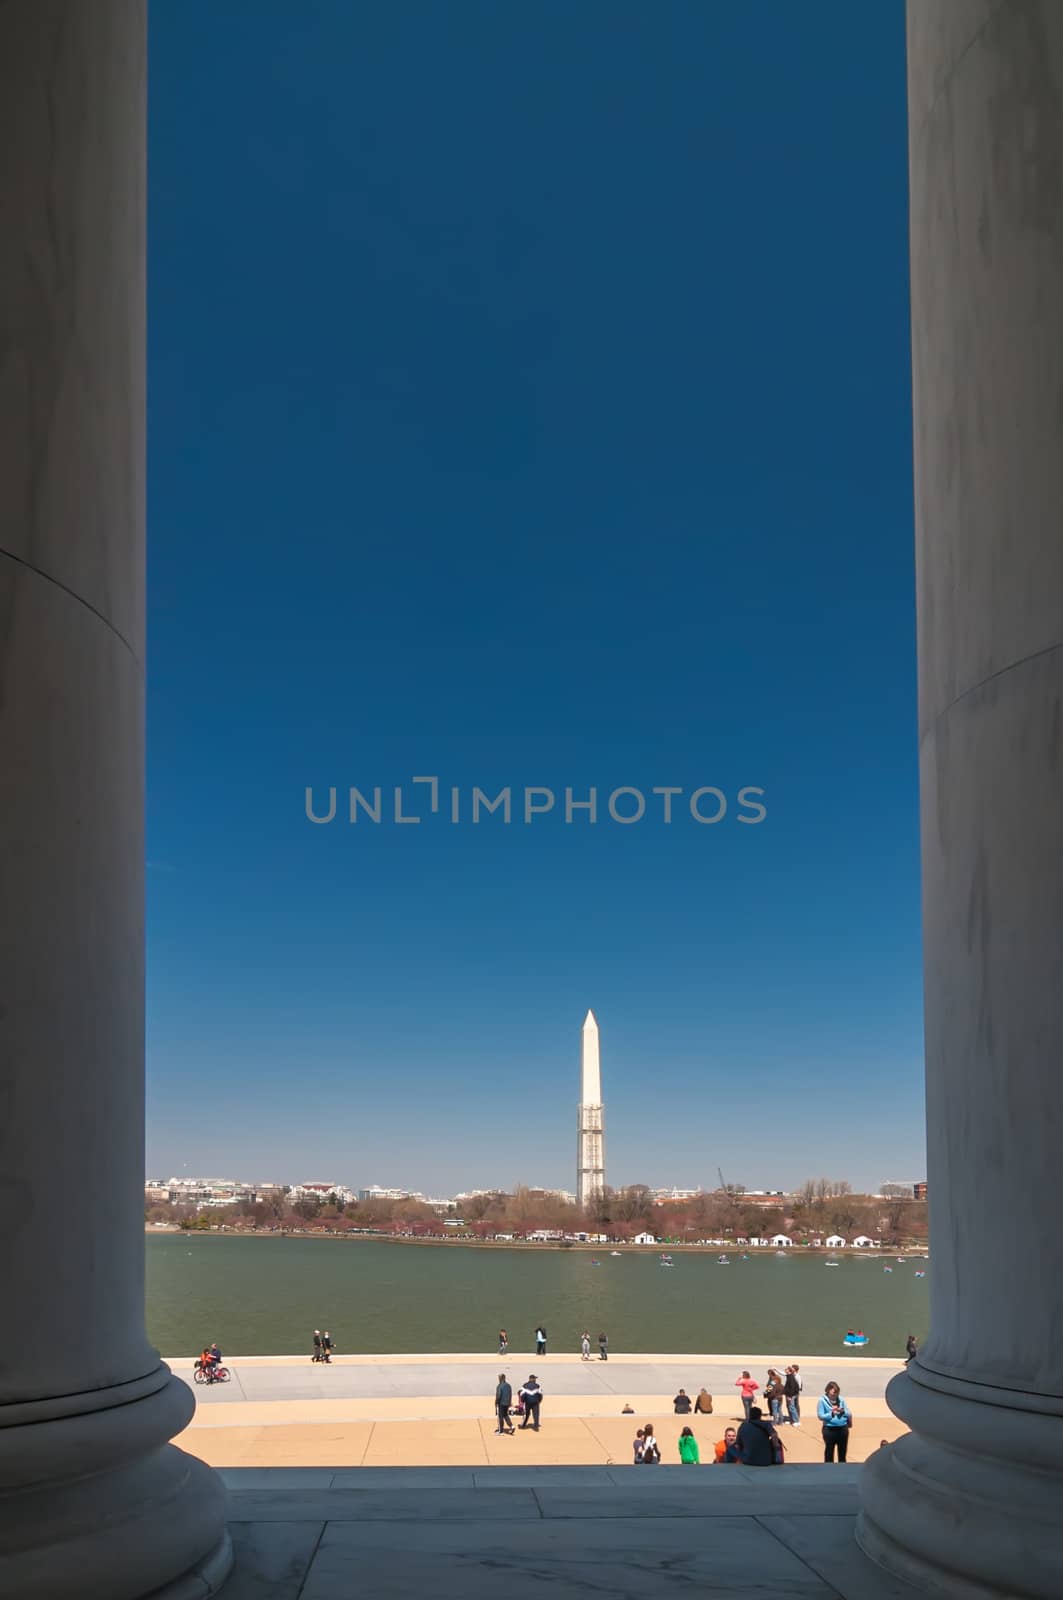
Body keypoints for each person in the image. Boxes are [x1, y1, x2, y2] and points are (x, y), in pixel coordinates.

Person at [817, 1381, 852, 1462]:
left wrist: (842, 1411)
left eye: (837, 1393)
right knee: (829, 1453)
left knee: (842, 1453)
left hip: (842, 1429)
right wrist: (831, 1414)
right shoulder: (822, 1401)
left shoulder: (841, 1400)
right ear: (828, 1391)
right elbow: (820, 1416)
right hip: (829, 1430)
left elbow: (849, 1412)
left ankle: (842, 1470)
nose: (835, 1395)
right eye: (833, 1393)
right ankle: (829, 1470)